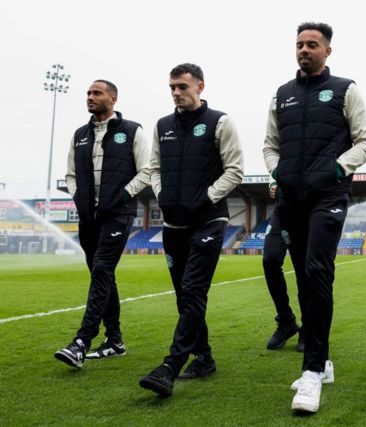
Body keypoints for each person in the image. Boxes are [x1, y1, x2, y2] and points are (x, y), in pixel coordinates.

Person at [263, 22, 366, 413]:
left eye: (312, 44)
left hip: (328, 195)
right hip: (291, 198)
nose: (304, 50)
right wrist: (278, 171)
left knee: (316, 272)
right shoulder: (282, 95)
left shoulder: (346, 89)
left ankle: (311, 373)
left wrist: (339, 169)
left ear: (327, 51)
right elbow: (270, 145)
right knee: (304, 279)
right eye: (299, 44)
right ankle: (323, 362)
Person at [139, 63, 244, 397]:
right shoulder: (162, 126)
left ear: (200, 86)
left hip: (209, 220)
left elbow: (235, 170)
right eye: (172, 87)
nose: (176, 92)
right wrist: (162, 193)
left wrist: (206, 198)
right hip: (173, 223)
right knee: (184, 297)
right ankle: (204, 355)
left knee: (194, 290)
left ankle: (170, 365)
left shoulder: (220, 122)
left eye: (182, 86)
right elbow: (154, 167)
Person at [55, 80, 150, 368]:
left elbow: (146, 171)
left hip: (117, 215)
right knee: (103, 276)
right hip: (88, 217)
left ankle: (82, 341)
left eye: (96, 93)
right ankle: (115, 341)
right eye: (88, 93)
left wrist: (122, 196)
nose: (90, 97)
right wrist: (78, 197)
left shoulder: (132, 131)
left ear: (113, 98)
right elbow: (70, 174)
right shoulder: (79, 135)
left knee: (101, 269)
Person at [263, 179, 304, 352]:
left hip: (307, 207)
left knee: (304, 270)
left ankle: (309, 328)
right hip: (283, 206)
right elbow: (275, 156)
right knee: (270, 260)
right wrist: (273, 182)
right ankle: (286, 321)